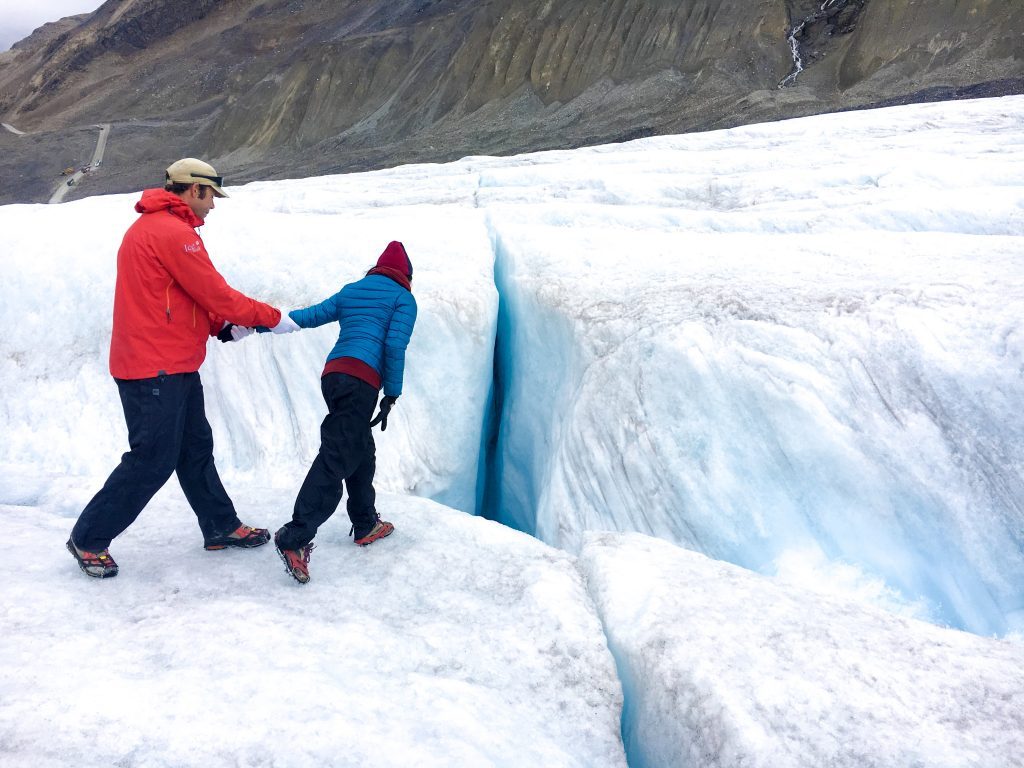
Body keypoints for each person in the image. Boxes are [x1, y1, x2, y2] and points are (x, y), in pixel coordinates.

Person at [66, 158, 299, 579]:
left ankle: (220, 526)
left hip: (169, 362)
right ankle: (89, 538)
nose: (213, 206)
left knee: (194, 449)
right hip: (155, 367)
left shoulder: (154, 229)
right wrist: (271, 317)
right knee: (152, 458)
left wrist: (220, 329)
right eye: (211, 196)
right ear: (194, 190)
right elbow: (218, 293)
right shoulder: (175, 234)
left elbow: (179, 298)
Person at [273, 241, 417, 584]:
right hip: (361, 382)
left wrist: (266, 321)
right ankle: (294, 536)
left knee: (360, 448)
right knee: (337, 454)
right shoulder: (403, 299)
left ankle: (365, 521)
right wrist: (392, 392)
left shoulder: (354, 290)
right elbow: (394, 345)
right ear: (407, 275)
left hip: (334, 375)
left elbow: (311, 316)